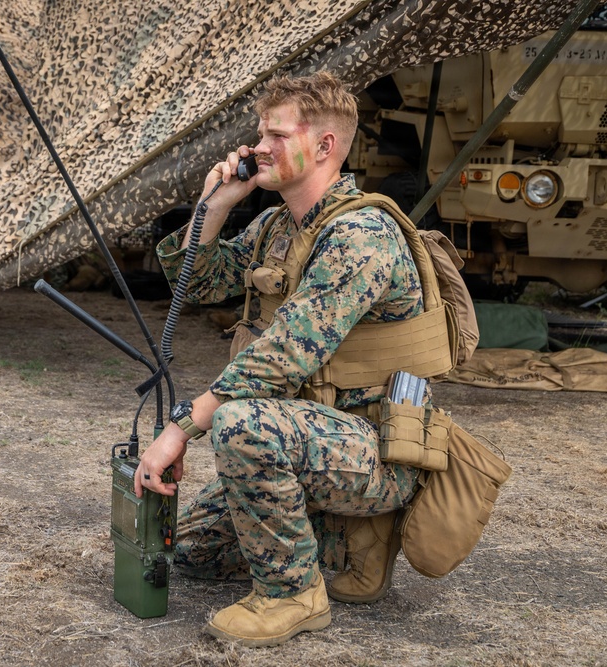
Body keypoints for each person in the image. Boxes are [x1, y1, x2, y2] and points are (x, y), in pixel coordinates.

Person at [134, 71, 425, 647]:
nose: (258, 146)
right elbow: (197, 283)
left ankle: (294, 594)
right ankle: (325, 540)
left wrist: (182, 426)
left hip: (373, 448)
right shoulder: (275, 226)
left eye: (275, 134)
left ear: (325, 146)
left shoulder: (362, 233)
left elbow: (287, 351)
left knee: (240, 423)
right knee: (187, 550)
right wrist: (215, 205)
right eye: (259, 133)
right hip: (304, 434)